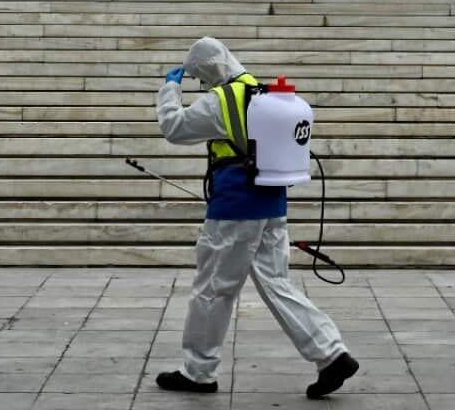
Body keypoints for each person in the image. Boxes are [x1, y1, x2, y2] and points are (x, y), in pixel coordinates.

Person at [153, 36, 359, 399]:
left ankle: (199, 371)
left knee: (214, 288)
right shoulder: (261, 93)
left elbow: (174, 128)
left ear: (207, 71)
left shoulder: (220, 100)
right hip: (271, 204)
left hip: (234, 208)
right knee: (278, 283)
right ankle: (331, 353)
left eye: (200, 77)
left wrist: (170, 88)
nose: (203, 84)